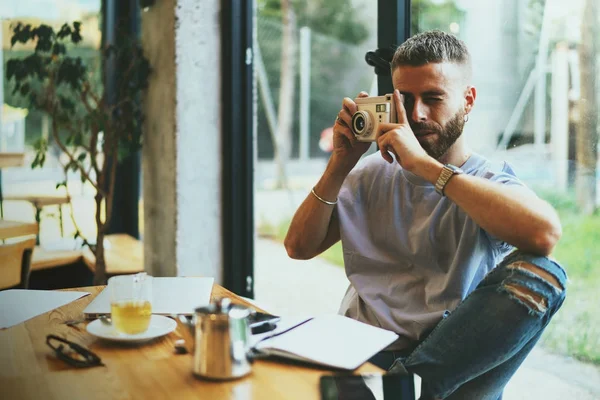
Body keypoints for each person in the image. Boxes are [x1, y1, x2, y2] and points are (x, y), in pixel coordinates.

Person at [284, 30, 567, 400]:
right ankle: (410, 386)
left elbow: (545, 236)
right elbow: (298, 247)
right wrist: (340, 164)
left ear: (468, 100)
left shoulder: (486, 181)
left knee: (547, 275)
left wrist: (426, 168)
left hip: (452, 356)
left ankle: (410, 384)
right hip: (370, 351)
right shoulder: (369, 175)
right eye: (405, 99)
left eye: (433, 98)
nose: (416, 114)